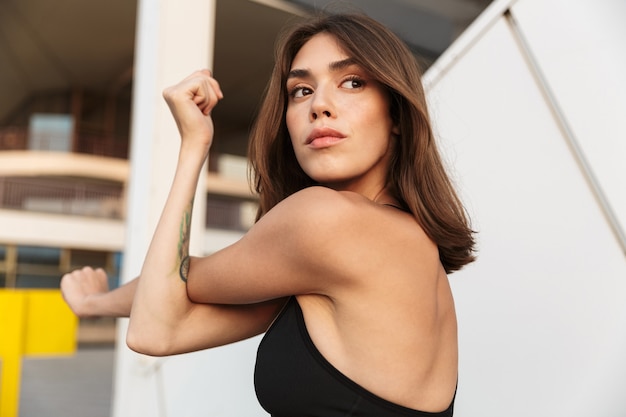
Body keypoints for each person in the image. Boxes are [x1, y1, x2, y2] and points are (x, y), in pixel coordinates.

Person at [61, 12, 475, 417]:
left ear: (397, 114)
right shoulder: (406, 242)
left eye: (352, 82)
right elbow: (167, 322)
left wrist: (192, 147)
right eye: (301, 90)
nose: (320, 106)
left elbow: (153, 323)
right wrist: (94, 303)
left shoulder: (327, 222)